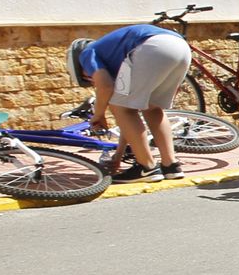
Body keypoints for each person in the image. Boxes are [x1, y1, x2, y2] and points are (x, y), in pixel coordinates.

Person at [76, 24, 193, 182]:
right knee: (152, 108)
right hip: (181, 48)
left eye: (89, 78)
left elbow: (105, 86)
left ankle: (148, 167)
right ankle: (170, 165)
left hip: (153, 48)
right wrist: (118, 155)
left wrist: (98, 115)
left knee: (120, 107)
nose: (91, 80)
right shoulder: (116, 55)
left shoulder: (87, 53)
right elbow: (130, 122)